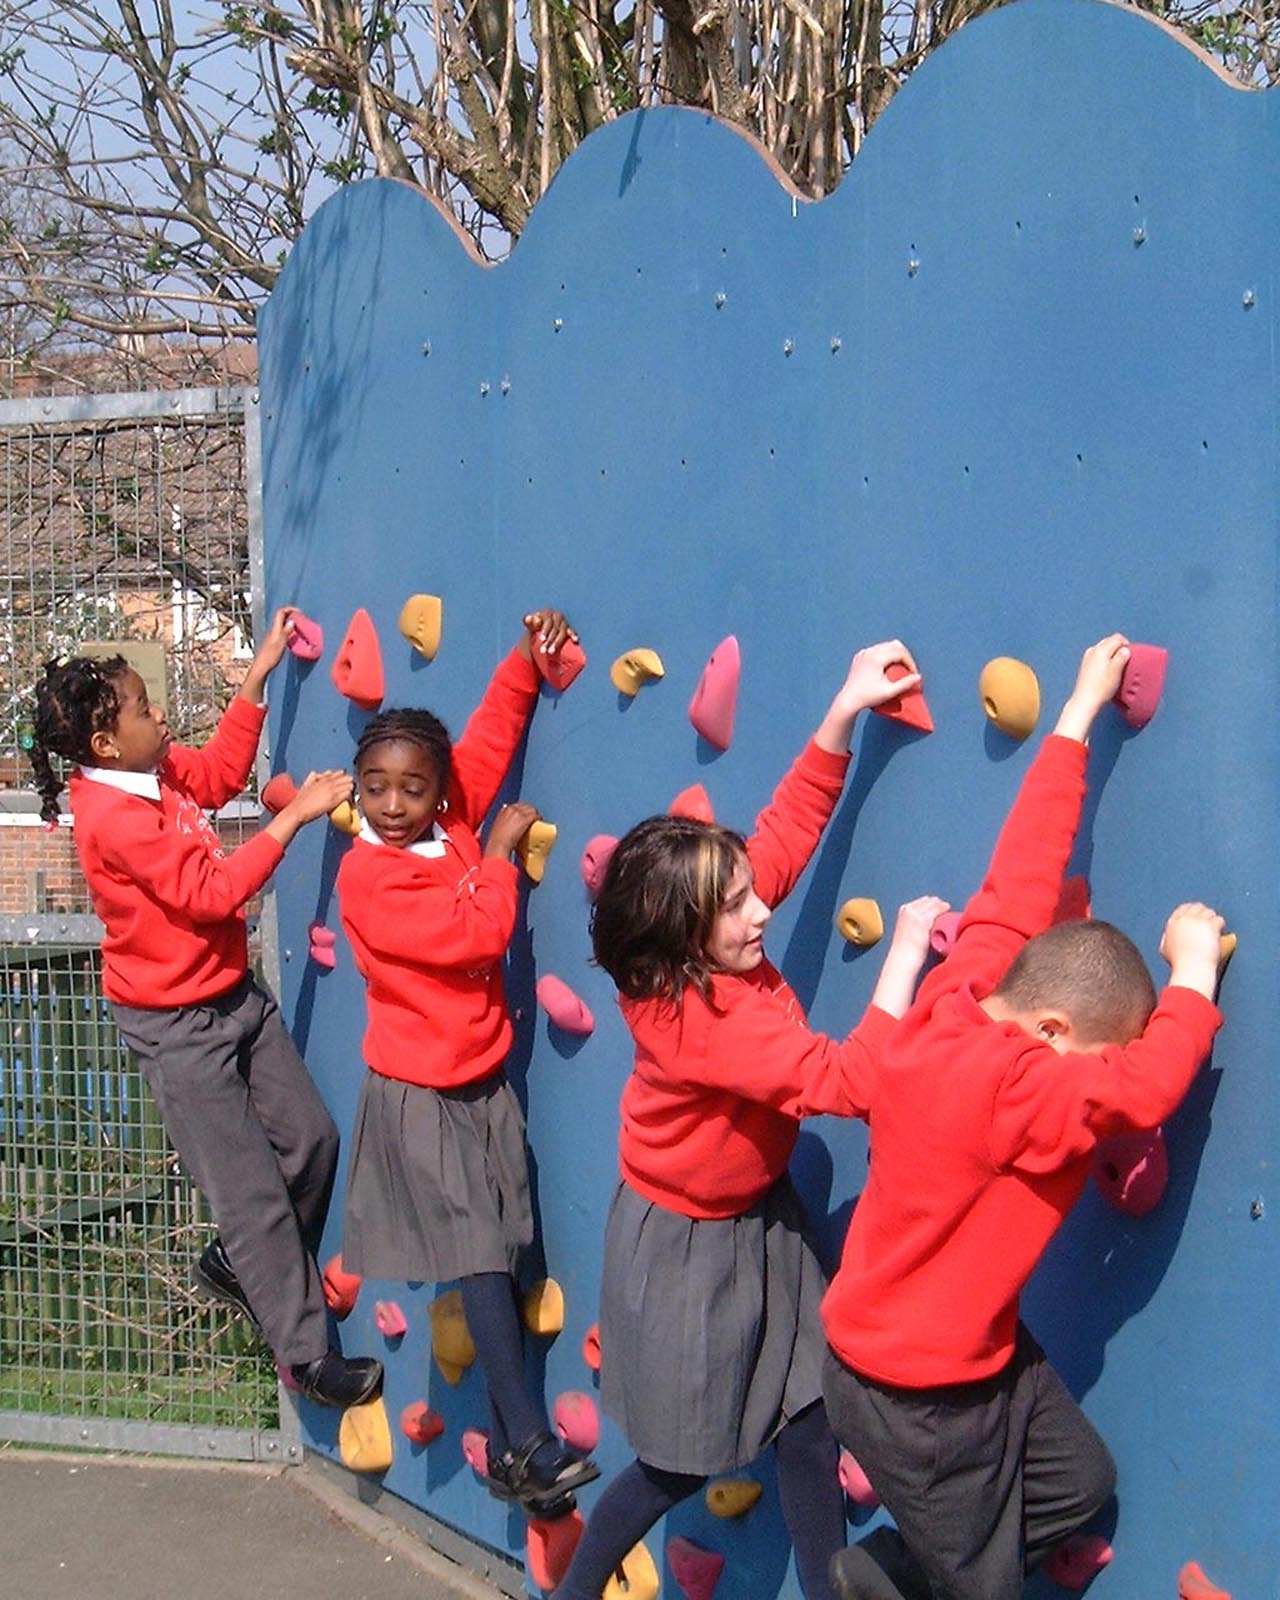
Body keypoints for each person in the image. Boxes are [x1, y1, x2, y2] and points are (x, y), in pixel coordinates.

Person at [820, 634, 1227, 1600]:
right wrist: (1193, 974)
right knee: (984, 1587)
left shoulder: (962, 989)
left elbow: (1020, 872)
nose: (1089, 1092)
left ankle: (890, 1571)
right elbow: (1147, 1086)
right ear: (1049, 1032)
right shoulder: (1023, 1085)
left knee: (1080, 1481)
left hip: (945, 1356)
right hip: (917, 1396)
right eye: (1089, 1060)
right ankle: (902, 1578)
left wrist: (1078, 713)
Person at [553, 642, 940, 1600]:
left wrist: (844, 709)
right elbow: (847, 1081)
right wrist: (905, 955)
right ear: (683, 938)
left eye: (748, 890)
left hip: (760, 1222)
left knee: (808, 1425)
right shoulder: (703, 1020)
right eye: (737, 906)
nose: (760, 909)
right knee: (680, 1463)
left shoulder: (706, 933)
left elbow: (785, 832)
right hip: (689, 1249)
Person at [29, 609, 383, 1408]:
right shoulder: (114, 816)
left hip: (231, 996)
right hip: (176, 1029)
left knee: (313, 1141)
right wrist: (294, 815)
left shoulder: (154, 771)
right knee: (252, 1196)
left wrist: (257, 674)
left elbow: (220, 775)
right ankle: (307, 1359)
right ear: (105, 744)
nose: (159, 715)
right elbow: (211, 893)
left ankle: (239, 1263)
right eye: (142, 709)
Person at [335, 606, 598, 1518]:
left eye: (412, 788)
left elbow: (487, 737)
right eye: (375, 788)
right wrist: (496, 854)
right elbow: (476, 935)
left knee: (507, 1247)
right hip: (420, 1095)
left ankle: (510, 1444)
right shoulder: (370, 876)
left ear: (436, 788)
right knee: (482, 1256)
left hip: (478, 1082)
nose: (393, 806)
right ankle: (527, 1442)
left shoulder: (445, 823)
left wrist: (527, 656)